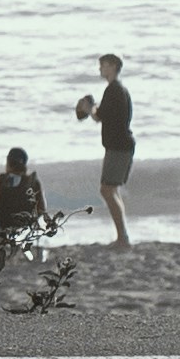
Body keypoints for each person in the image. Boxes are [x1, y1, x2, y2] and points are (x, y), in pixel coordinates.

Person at [75, 52, 135, 248]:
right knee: (111, 189)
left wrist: (87, 107)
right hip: (119, 145)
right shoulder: (117, 90)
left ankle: (123, 236)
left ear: (112, 66)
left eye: (103, 65)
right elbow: (104, 114)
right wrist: (92, 108)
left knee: (107, 189)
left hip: (118, 146)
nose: (100, 69)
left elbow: (99, 116)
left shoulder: (114, 90)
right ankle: (122, 235)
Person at [0, 146, 46, 231]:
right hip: (23, 229)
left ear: (8, 161)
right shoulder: (33, 182)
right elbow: (41, 209)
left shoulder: (0, 181)